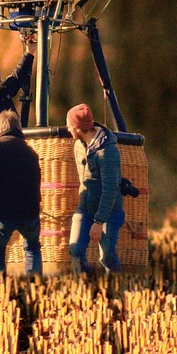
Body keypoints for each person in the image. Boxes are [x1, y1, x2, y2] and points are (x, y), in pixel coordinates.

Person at [0, 111, 43, 275]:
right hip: (29, 212)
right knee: (32, 249)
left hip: (1, 212)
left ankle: (1, 294)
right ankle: (35, 289)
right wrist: (36, 207)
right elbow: (36, 182)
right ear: (18, 128)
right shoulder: (31, 152)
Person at [66, 102, 124, 274]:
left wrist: (99, 221)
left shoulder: (107, 152)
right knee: (75, 249)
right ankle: (88, 289)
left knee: (106, 256)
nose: (67, 128)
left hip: (109, 212)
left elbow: (111, 189)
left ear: (77, 127)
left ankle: (116, 289)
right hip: (85, 208)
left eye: (69, 125)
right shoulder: (78, 145)